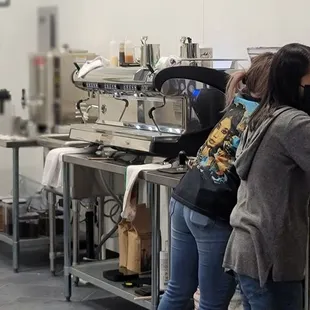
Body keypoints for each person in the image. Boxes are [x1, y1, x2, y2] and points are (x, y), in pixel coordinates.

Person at [158, 52, 274, 310]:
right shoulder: (267, 119)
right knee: (212, 303)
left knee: (178, 290)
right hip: (212, 212)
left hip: (183, 198)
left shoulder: (238, 104)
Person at [223, 43, 310, 310]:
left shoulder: (263, 114)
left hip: (247, 248)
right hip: (271, 258)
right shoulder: (294, 123)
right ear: (293, 82)